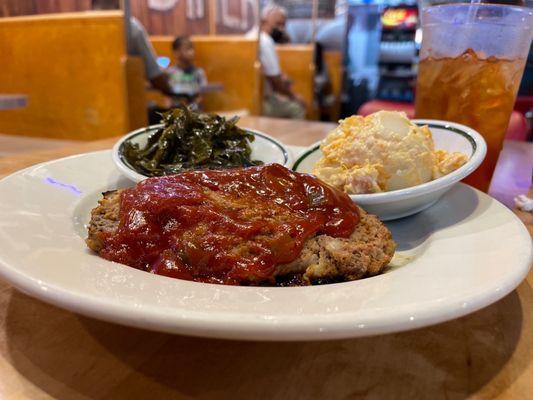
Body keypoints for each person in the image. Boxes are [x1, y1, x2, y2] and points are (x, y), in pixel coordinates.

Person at [91, 0, 173, 95]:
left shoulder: (81, 25)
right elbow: (155, 76)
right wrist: (173, 91)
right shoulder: (131, 28)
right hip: (123, 101)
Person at [247, 3, 306, 119]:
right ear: (263, 21)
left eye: (283, 25)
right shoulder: (265, 40)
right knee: (297, 108)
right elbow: (276, 81)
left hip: (246, 98)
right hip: (261, 102)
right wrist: (294, 96)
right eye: (277, 24)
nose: (281, 29)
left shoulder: (248, 36)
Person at [167, 36, 207, 110]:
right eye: (187, 48)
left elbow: (201, 96)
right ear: (176, 52)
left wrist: (191, 107)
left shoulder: (199, 72)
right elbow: (168, 97)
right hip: (176, 111)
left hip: (194, 112)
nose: (191, 52)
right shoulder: (170, 73)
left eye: (191, 48)